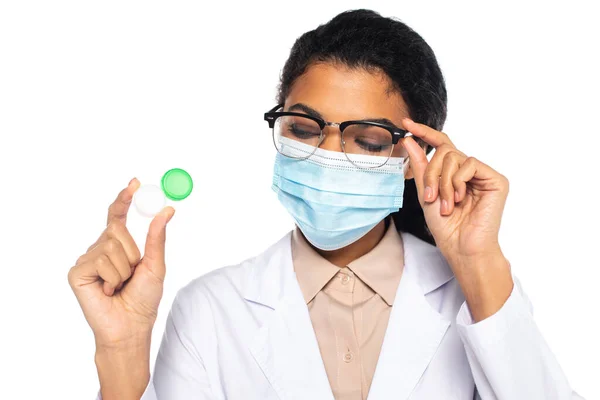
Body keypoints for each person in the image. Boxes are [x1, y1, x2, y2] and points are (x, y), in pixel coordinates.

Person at [68, 9, 584, 400]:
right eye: (305, 129)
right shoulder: (211, 310)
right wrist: (121, 354)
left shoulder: (478, 295)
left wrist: (478, 265)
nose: (326, 157)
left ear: (414, 158)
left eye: (367, 139)